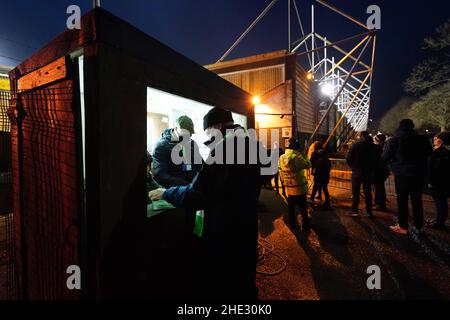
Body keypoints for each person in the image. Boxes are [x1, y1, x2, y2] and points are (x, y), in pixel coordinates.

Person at [149, 107, 262, 300]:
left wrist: (167, 193)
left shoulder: (225, 148)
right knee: (243, 282)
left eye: (208, 132)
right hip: (245, 229)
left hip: (225, 233)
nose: (208, 139)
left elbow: (197, 194)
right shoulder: (251, 144)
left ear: (217, 126)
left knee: (223, 284)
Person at [382, 119, 433, 235]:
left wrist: (392, 166)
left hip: (401, 174)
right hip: (418, 174)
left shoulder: (394, 140)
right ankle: (419, 226)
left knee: (402, 200)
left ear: (400, 127)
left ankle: (403, 226)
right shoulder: (422, 139)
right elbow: (429, 153)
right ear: (412, 126)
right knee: (417, 200)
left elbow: (385, 157)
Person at [152, 115, 202, 188]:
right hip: (174, 190)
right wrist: (186, 184)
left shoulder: (191, 143)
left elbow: (200, 164)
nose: (188, 136)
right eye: (185, 133)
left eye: (189, 133)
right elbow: (160, 175)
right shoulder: (162, 146)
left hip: (192, 187)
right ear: (175, 129)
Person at [278, 138, 312, 230]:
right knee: (303, 208)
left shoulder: (281, 157)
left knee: (291, 207)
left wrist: (284, 182)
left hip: (289, 186)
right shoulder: (297, 157)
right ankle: (306, 225)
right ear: (297, 149)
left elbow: (280, 170)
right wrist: (304, 155)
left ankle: (292, 224)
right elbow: (308, 165)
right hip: (299, 187)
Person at [346, 131, 377, 217]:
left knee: (355, 192)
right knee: (368, 192)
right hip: (368, 172)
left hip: (357, 171)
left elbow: (349, 157)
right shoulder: (374, 147)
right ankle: (369, 211)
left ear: (362, 136)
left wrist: (352, 166)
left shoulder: (356, 145)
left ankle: (355, 211)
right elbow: (377, 159)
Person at [427, 132, 450, 230]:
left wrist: (430, 181)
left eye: (436, 138)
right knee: (441, 202)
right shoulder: (445, 151)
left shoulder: (439, 153)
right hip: (444, 181)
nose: (434, 140)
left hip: (438, 182)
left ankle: (440, 223)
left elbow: (434, 169)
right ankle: (439, 220)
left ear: (441, 140)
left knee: (440, 202)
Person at [310, 142, 331, 210]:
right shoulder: (327, 159)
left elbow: (313, 164)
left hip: (318, 176)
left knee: (315, 186)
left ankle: (312, 199)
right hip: (325, 176)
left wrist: (314, 171)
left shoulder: (317, 157)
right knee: (324, 188)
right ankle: (327, 201)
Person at [373, 134, 390, 211]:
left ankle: (381, 204)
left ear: (377, 140)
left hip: (379, 170)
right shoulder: (385, 146)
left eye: (375, 139)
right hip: (384, 170)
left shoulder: (378, 148)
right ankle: (377, 202)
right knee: (379, 187)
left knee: (379, 187)